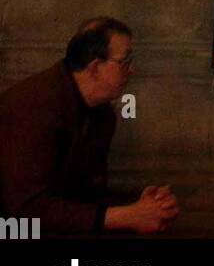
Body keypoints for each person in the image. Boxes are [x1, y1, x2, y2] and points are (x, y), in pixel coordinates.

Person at [0, 17, 178, 236]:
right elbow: (26, 211)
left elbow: (87, 194)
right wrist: (126, 216)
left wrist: (142, 206)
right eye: (124, 62)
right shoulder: (33, 109)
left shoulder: (102, 114)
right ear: (94, 67)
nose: (131, 71)